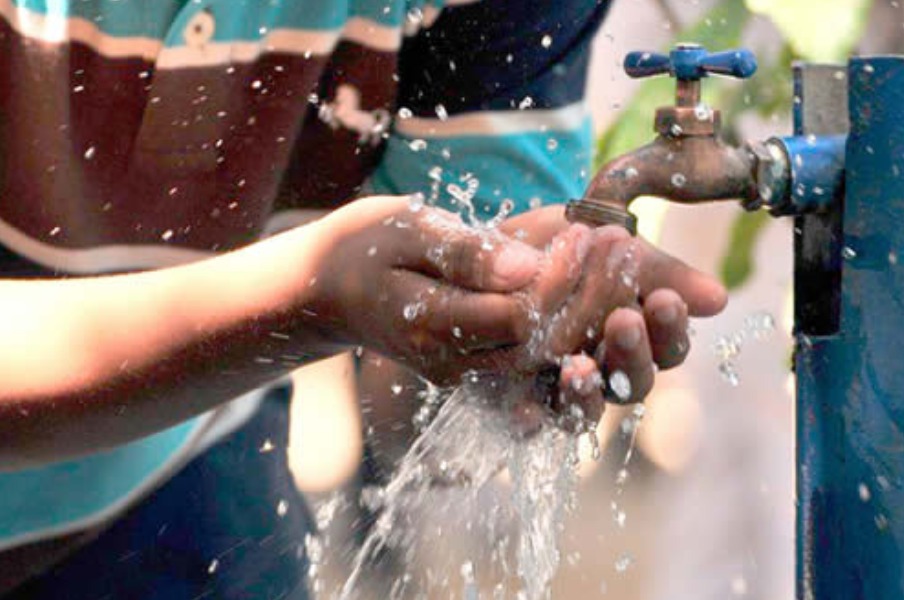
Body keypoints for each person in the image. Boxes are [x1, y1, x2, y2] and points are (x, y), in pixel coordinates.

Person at [0, 0, 726, 597]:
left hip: (177, 451)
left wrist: (505, 327)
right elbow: (319, 297)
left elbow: (413, 405)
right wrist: (303, 300)